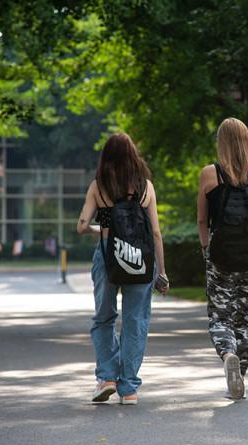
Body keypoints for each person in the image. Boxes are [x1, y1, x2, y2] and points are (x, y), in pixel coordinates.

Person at [77, 132, 169, 405]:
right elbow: (154, 233)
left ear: (106, 156)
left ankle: (107, 378)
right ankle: (128, 389)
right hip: (141, 260)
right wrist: (161, 272)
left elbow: (82, 225)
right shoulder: (145, 188)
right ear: (133, 155)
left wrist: (102, 230)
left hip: (107, 257)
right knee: (135, 322)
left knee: (104, 318)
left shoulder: (100, 186)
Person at [197, 118, 248, 400]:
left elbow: (203, 219)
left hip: (222, 255)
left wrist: (207, 250)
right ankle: (240, 373)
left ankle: (228, 353)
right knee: (245, 317)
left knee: (220, 316)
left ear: (222, 142)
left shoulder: (210, 174)